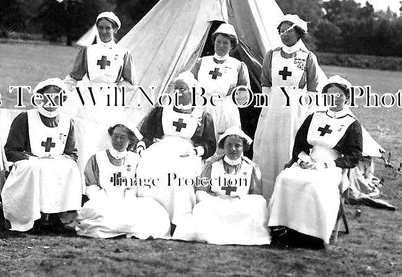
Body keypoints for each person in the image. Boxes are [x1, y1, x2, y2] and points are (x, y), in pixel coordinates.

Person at [268, 75, 363, 246]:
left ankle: (312, 235)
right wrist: (303, 159)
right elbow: (300, 144)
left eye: (339, 95)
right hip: (309, 160)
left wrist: (327, 164)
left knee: (314, 185)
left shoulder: (351, 124)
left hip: (333, 166)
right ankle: (283, 227)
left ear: (347, 97)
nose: (334, 99)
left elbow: (354, 156)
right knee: (286, 178)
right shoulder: (314, 116)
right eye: (330, 95)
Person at [253, 14, 325, 200]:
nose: (284, 34)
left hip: (296, 113)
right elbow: (266, 83)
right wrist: (268, 107)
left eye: (288, 30)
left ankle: (287, 198)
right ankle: (265, 194)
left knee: (290, 149)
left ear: (298, 33)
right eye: (281, 30)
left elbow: (313, 90)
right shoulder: (272, 54)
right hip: (273, 111)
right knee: (269, 151)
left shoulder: (308, 57)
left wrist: (304, 114)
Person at [62, 11, 135, 189]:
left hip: (111, 100)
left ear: (115, 30)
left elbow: (130, 82)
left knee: (106, 139)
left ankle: (105, 184)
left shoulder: (123, 53)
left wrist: (115, 90)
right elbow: (74, 77)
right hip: (88, 99)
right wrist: (59, 89)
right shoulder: (88, 51)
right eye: (100, 28)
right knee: (86, 139)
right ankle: (82, 187)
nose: (103, 32)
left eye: (107, 28)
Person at [136, 71, 216, 229]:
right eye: (176, 88)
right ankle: (149, 219)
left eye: (183, 89)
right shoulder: (161, 111)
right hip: (161, 148)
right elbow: (146, 134)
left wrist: (195, 151)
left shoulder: (202, 116)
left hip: (187, 153)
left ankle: (177, 221)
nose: (178, 92)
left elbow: (210, 145)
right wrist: (141, 146)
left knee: (179, 176)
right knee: (148, 168)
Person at [1, 78, 82, 232]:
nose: (52, 101)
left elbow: (72, 153)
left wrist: (58, 159)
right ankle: (34, 215)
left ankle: (59, 215)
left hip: (54, 162)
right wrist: (33, 158)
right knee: (35, 168)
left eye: (57, 97)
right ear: (40, 97)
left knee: (70, 167)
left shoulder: (67, 121)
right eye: (48, 96)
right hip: (29, 161)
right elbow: (11, 151)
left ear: (63, 99)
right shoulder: (25, 118)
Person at [173, 127, 270, 245]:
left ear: (244, 147)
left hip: (240, 205)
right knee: (203, 208)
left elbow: (257, 196)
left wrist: (238, 199)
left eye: (237, 145)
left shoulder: (251, 168)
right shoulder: (211, 164)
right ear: (223, 146)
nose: (232, 149)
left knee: (258, 205)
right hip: (216, 204)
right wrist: (218, 199)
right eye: (228, 145)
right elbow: (200, 192)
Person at [74, 121, 171, 239]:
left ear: (130, 140)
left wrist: (125, 201)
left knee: (154, 210)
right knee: (100, 213)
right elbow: (91, 185)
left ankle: (122, 228)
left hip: (126, 201)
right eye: (115, 137)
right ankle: (123, 228)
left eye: (122, 138)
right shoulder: (97, 158)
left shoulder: (135, 160)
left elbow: (135, 186)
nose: (118, 141)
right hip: (102, 201)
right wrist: (106, 201)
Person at [190, 23, 250, 144]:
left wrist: (236, 94)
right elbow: (189, 84)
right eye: (218, 41)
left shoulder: (238, 66)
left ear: (232, 45)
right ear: (214, 42)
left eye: (226, 43)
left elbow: (245, 95)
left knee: (224, 144)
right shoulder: (201, 62)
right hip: (203, 107)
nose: (221, 45)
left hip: (226, 110)